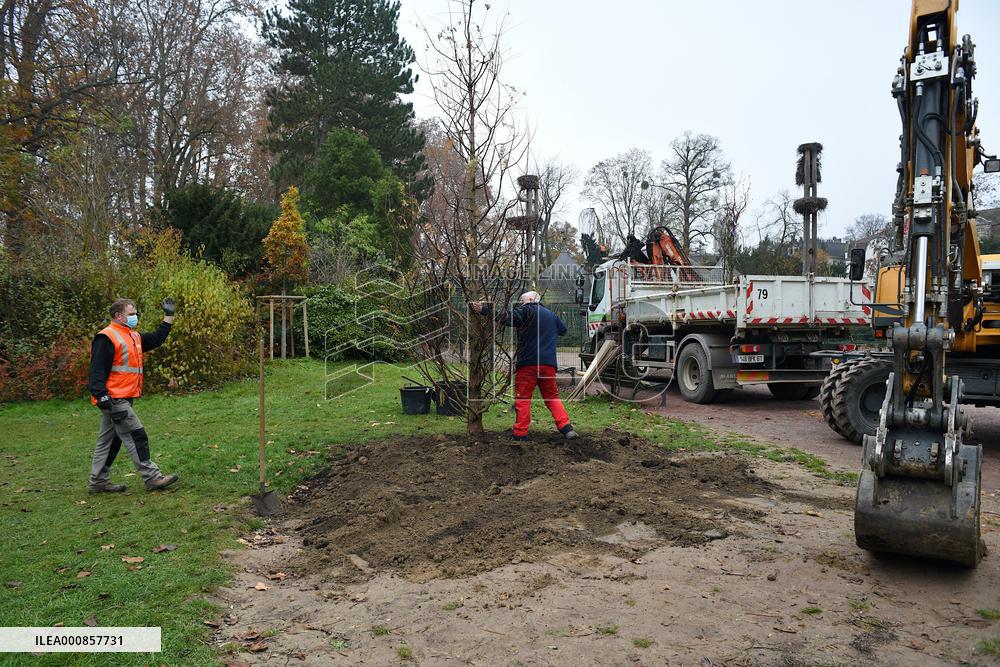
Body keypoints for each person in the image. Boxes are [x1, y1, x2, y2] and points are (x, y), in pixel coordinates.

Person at [87, 298, 179, 493]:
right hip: (114, 398)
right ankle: (152, 477)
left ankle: (98, 481)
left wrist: (168, 316)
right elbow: (96, 370)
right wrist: (101, 395)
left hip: (122, 397)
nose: (134, 317)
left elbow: (156, 338)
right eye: (131, 314)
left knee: (109, 441)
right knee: (136, 434)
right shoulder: (107, 337)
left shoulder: (132, 337)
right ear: (118, 316)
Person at [473, 291, 579, 442]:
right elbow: (563, 330)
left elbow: (507, 318)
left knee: (523, 399)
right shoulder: (551, 315)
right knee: (552, 397)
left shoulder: (526, 311)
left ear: (530, 300)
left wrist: (484, 310)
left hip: (528, 364)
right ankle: (567, 428)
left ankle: (520, 434)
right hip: (548, 364)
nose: (521, 304)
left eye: (522, 301)